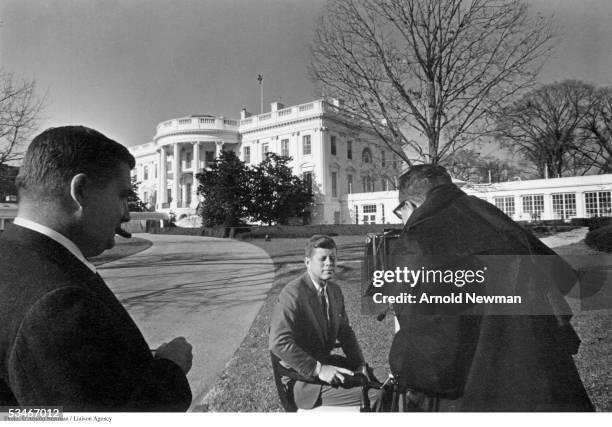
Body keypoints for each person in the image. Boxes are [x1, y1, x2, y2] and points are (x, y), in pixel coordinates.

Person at [0, 126, 193, 411]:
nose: (127, 213)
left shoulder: (10, 255)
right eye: (122, 196)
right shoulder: (58, 307)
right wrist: (170, 369)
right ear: (81, 191)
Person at [384, 164, 593, 411]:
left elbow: (432, 348)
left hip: (484, 386)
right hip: (550, 375)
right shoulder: (493, 216)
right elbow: (565, 278)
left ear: (410, 205)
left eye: (400, 213)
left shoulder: (418, 237)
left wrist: (401, 366)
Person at [269, 235, 380, 410]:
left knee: (381, 379)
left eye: (333, 258)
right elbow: (278, 342)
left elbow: (345, 333)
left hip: (329, 365)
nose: (329, 263)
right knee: (377, 394)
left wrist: (359, 364)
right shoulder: (292, 294)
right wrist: (319, 369)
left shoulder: (334, 291)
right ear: (307, 262)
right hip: (304, 382)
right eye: (322, 259)